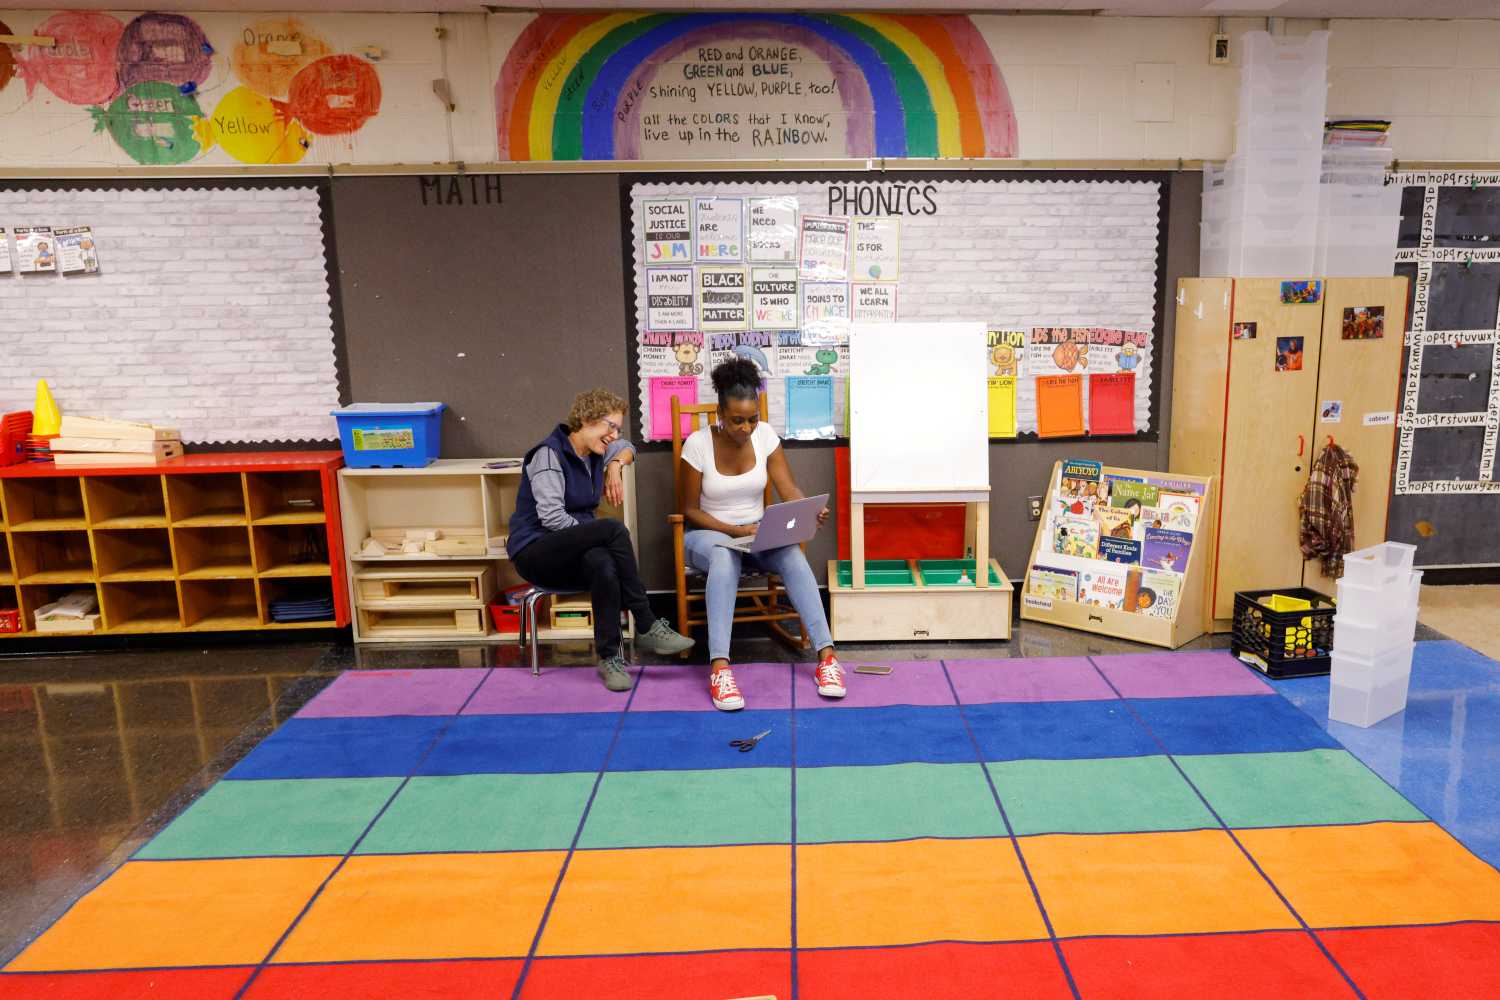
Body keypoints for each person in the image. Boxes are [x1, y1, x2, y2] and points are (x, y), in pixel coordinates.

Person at [680, 358, 845, 711]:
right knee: (724, 556)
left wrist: (806, 508)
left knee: (791, 555)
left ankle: (827, 658)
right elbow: (690, 510)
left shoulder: (766, 436)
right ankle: (720, 668)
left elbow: (788, 488)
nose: (746, 428)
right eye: (737, 420)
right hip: (707, 537)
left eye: (752, 418)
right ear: (720, 414)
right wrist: (735, 530)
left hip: (756, 534)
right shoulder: (696, 444)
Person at [509, 388, 693, 691]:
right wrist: (593, 536)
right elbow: (552, 519)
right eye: (610, 425)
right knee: (612, 530)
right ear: (585, 419)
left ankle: (609, 658)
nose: (614, 434)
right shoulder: (548, 455)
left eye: (617, 427)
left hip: (571, 551)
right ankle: (645, 620)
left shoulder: (596, 450)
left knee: (603, 564)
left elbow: (628, 447)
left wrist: (615, 466)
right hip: (536, 552)